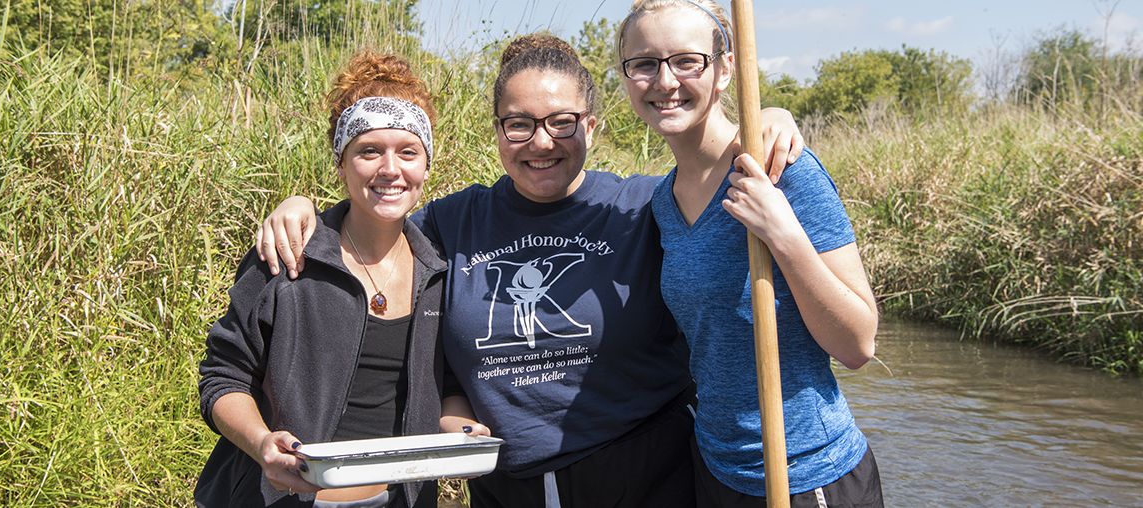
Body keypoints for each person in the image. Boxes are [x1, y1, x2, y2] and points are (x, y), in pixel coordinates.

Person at [252, 35, 805, 507]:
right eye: (518, 124)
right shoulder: (450, 222)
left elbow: (718, 177)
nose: (541, 142)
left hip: (647, 477)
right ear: (497, 131)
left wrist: (764, 125)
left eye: (562, 122)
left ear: (592, 124)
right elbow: (375, 220)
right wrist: (305, 208)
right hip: (505, 486)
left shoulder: (644, 206)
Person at [618, 1, 884, 506]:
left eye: (686, 61)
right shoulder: (662, 202)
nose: (665, 81)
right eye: (645, 64)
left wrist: (783, 233)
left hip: (807, 476)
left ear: (725, 69)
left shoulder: (782, 171)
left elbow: (858, 344)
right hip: (716, 470)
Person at [195, 52, 447, 508]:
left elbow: (447, 388)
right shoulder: (288, 254)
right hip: (282, 497)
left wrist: (462, 431)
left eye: (408, 152)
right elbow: (222, 376)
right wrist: (261, 444)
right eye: (369, 150)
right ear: (341, 163)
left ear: (426, 166)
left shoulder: (440, 270)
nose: (391, 169)